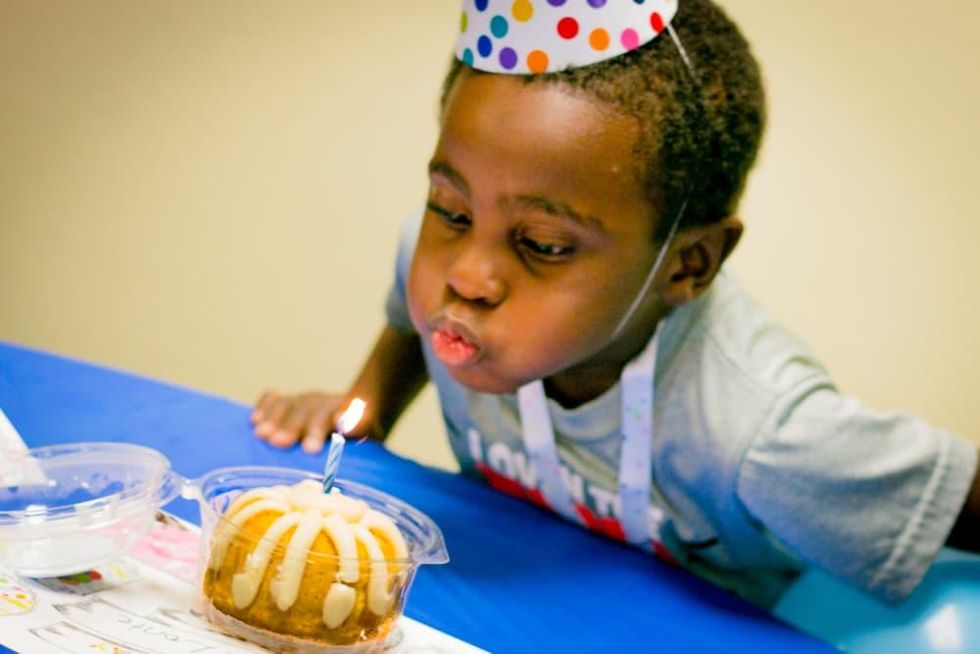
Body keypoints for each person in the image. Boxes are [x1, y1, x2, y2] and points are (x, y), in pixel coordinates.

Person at [251, 0, 980, 608]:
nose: (467, 276)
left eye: (541, 243)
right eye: (452, 207)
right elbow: (412, 317)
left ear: (688, 265)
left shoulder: (765, 435)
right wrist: (366, 402)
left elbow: (956, 500)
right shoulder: (431, 256)